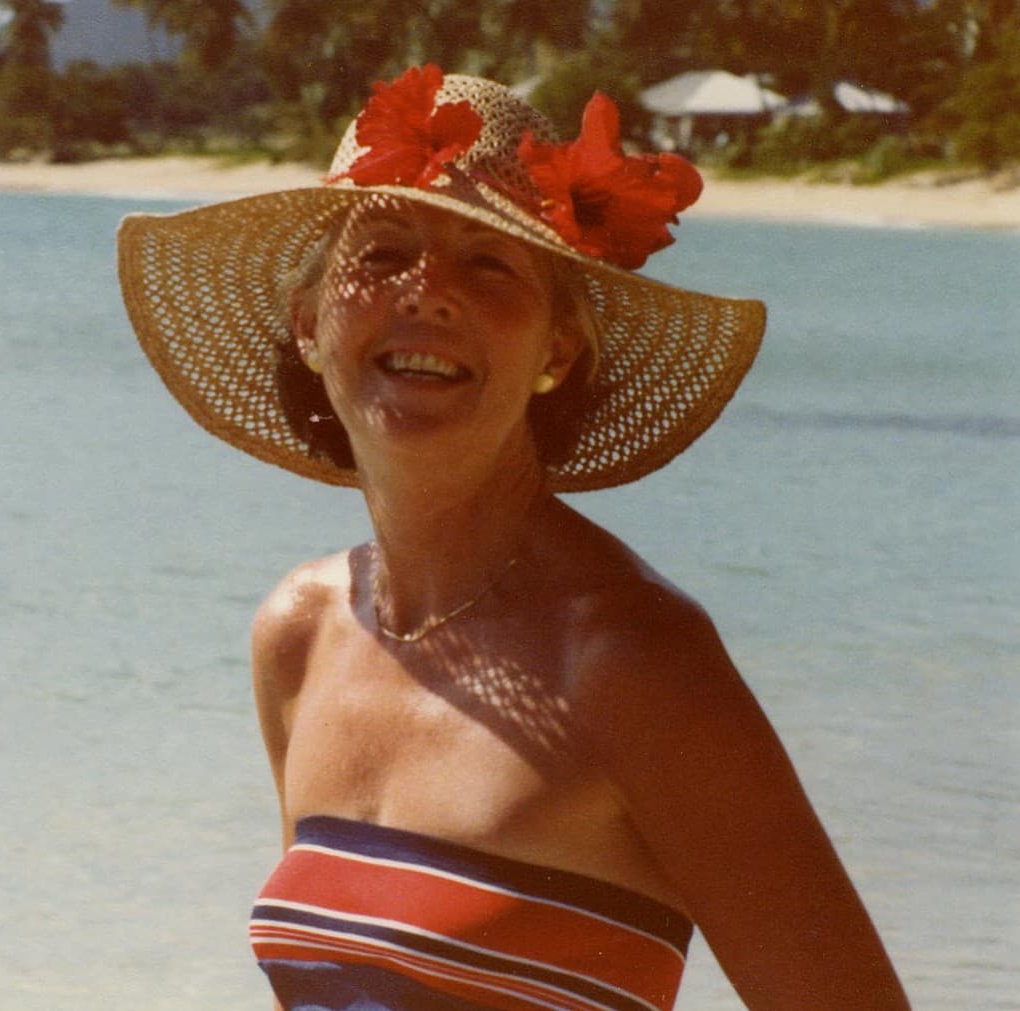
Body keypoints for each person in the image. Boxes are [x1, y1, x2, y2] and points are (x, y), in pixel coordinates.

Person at [118, 67, 908, 1011]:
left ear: (557, 351)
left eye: (490, 264)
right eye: (381, 252)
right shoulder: (301, 633)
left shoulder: (629, 658)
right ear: (307, 323)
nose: (428, 293)